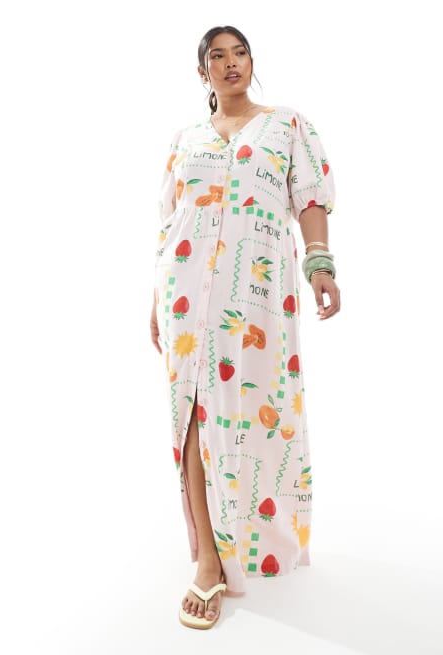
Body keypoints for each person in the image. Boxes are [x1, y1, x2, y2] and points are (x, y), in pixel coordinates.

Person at [150, 25, 341, 629]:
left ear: (252, 63)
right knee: (193, 411)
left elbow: (309, 197)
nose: (231, 63)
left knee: (256, 411)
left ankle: (254, 537)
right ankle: (209, 560)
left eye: (240, 53)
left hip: (256, 296)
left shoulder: (287, 126)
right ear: (202, 72)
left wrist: (319, 264)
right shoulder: (186, 139)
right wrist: (154, 298)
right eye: (218, 56)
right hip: (183, 294)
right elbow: (170, 221)